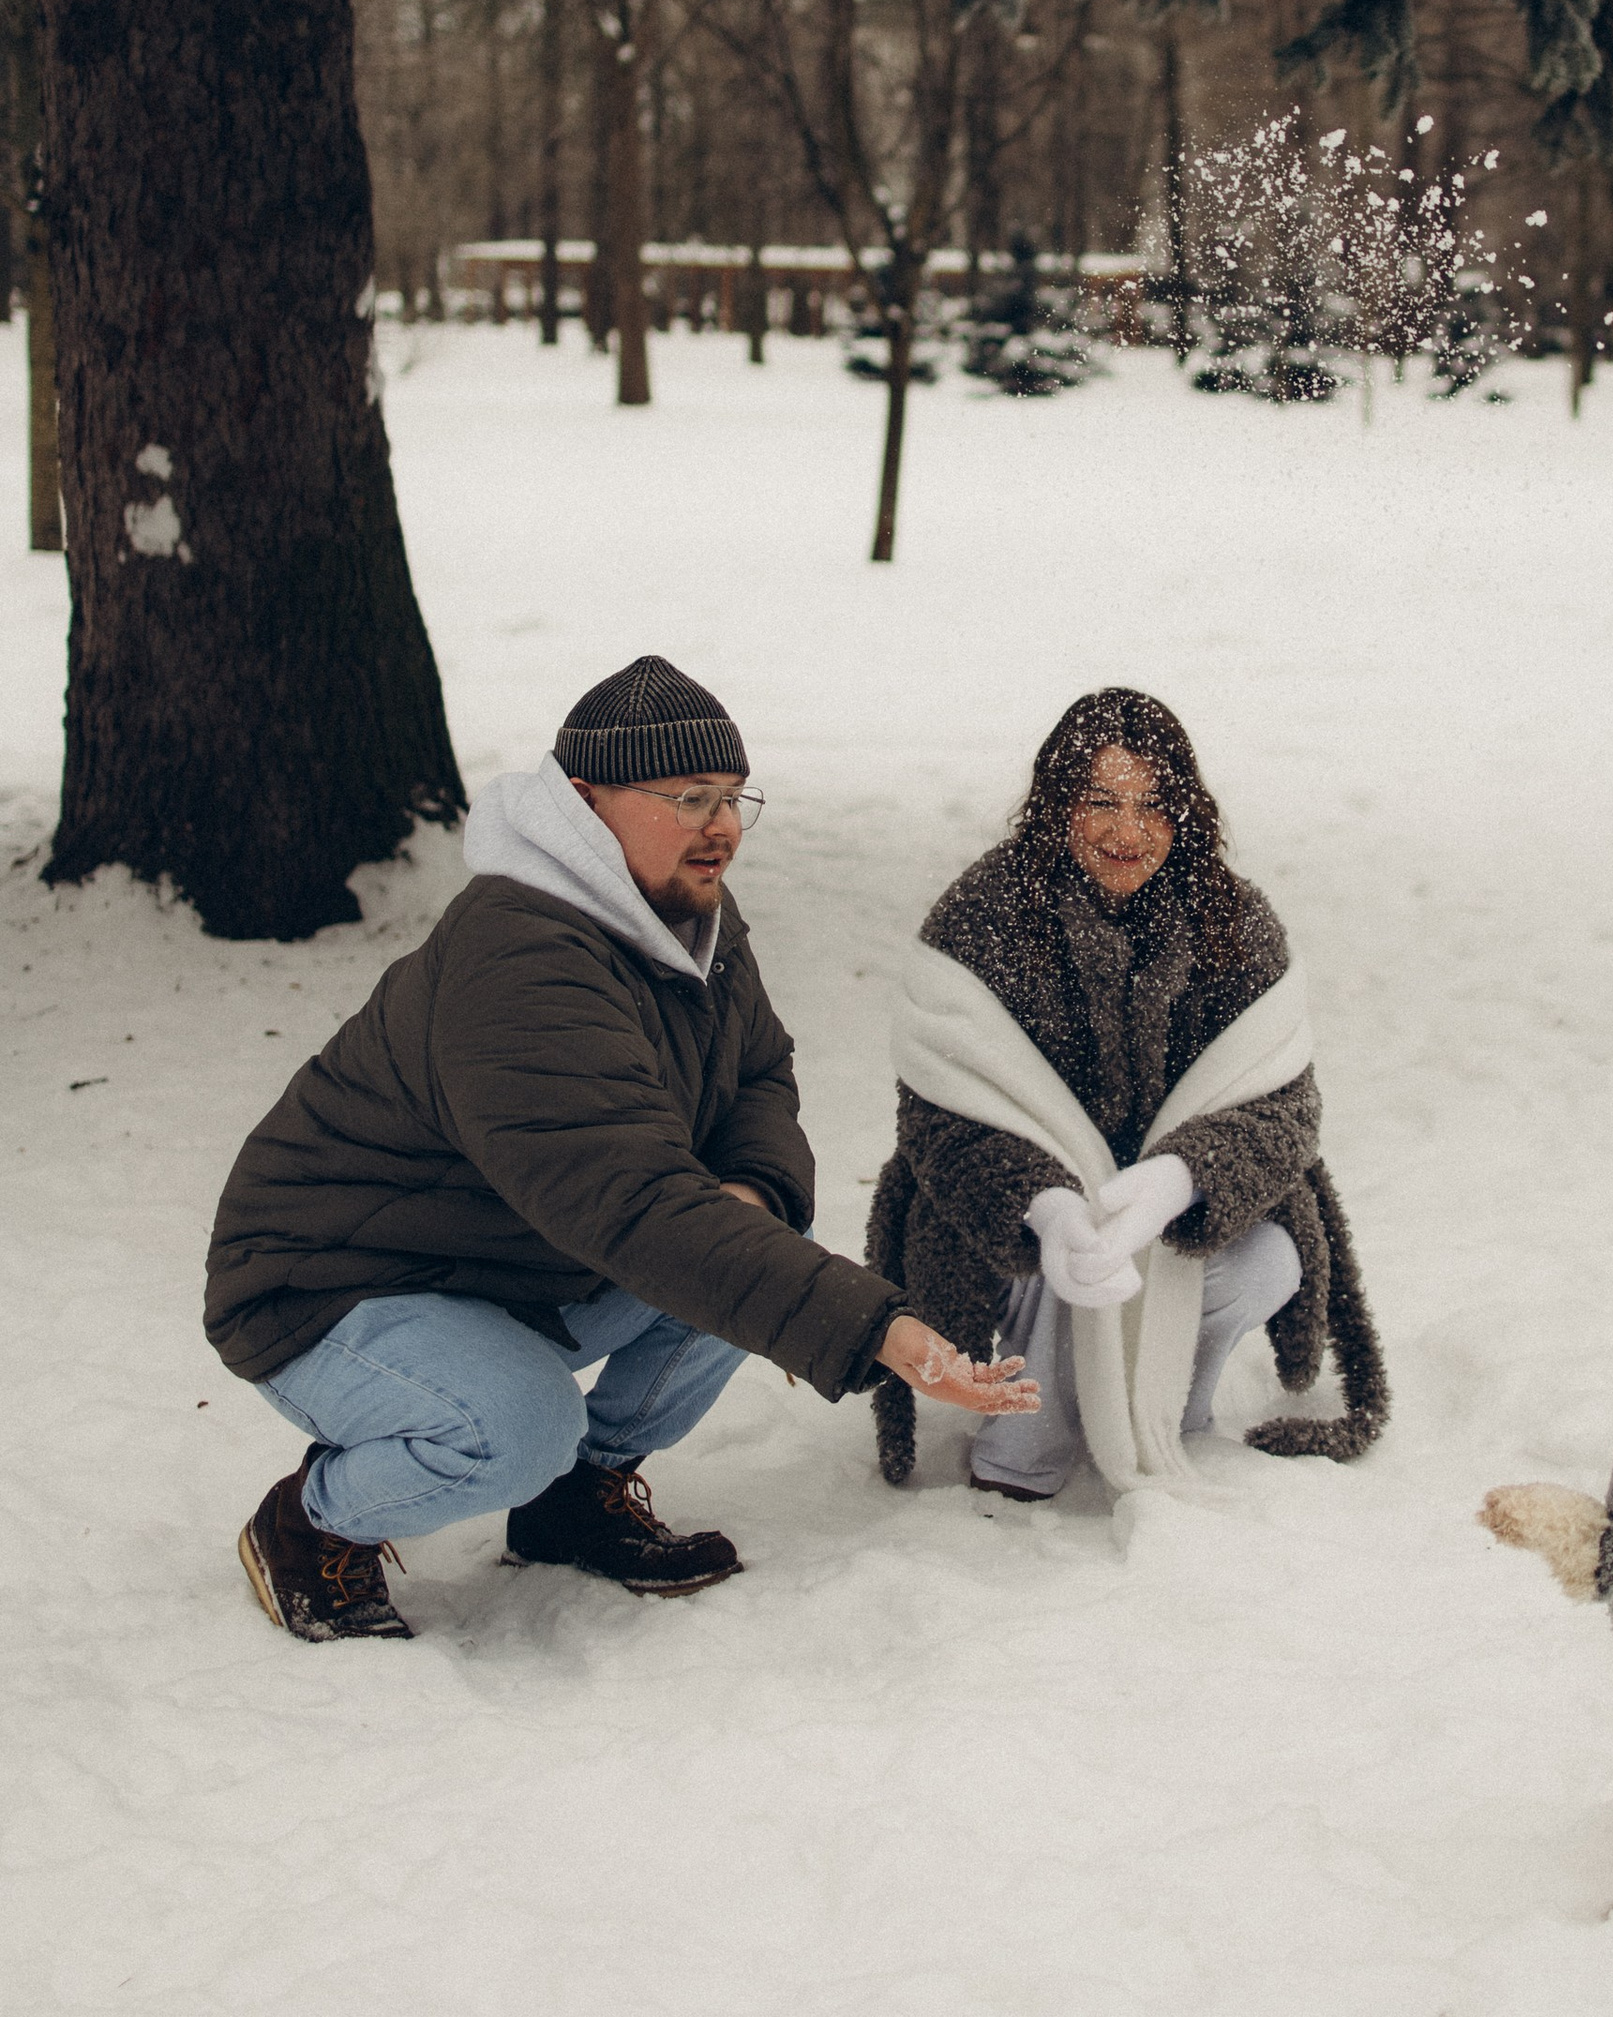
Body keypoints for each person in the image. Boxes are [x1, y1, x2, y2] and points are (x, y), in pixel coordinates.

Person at [208, 655, 1033, 1640]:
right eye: (688, 798)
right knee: (521, 1426)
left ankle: (572, 1504)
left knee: (740, 1250)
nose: (720, 825)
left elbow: (756, 1080)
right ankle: (309, 1524)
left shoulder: (692, 925)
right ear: (583, 802)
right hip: (331, 1287)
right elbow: (633, 1205)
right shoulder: (520, 958)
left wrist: (753, 1194)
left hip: (506, 1262)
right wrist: (877, 1331)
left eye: (732, 799)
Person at [867, 686, 1387, 1500]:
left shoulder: (1234, 922)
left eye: (1153, 804)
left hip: (1171, 1213)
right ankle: (1022, 1449)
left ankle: (1168, 1409)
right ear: (1055, 806)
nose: (1126, 832)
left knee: (1269, 1261)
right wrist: (1046, 1204)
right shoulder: (983, 918)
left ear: (1187, 814)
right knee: (1053, 1260)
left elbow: (1282, 1105)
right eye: (1100, 802)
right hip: (1011, 1217)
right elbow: (942, 1108)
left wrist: (1179, 1182)